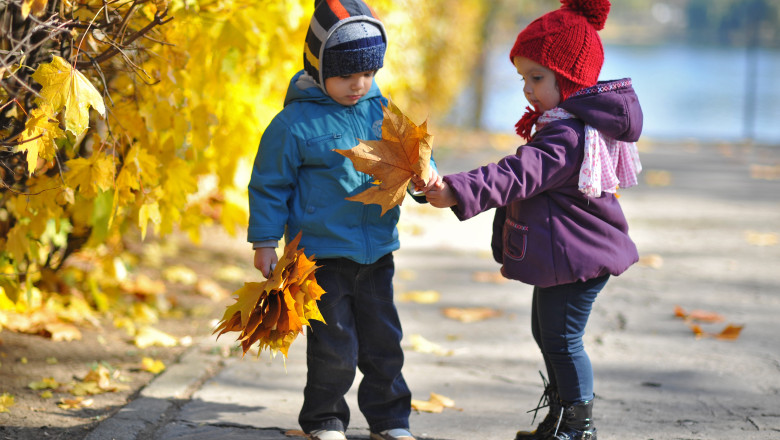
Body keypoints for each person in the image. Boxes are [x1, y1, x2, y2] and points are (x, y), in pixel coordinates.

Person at [419, 1, 642, 439]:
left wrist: (457, 190)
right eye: (523, 78)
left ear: (572, 78)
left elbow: (518, 174)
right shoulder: (564, 123)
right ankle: (561, 418)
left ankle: (577, 428)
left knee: (561, 340)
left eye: (537, 78)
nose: (527, 89)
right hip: (568, 256)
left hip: (578, 260)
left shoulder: (567, 135)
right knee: (547, 333)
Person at [248, 1, 435, 440]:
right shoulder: (293, 124)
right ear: (317, 67)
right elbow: (269, 185)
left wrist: (425, 180)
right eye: (347, 75)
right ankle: (325, 419)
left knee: (384, 343)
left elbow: (412, 160)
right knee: (335, 345)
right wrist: (264, 241)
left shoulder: (381, 110)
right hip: (322, 254)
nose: (359, 84)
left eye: (368, 73)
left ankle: (390, 419)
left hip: (377, 252)